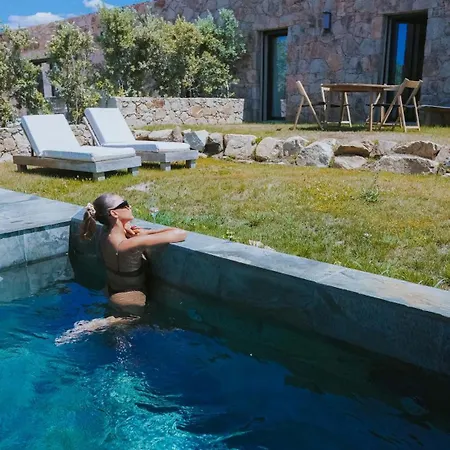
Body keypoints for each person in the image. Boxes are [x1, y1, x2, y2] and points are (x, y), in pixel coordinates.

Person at [55, 193, 187, 345]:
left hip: (112, 290)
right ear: (114, 213)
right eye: (125, 204)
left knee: (118, 338)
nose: (129, 206)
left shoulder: (105, 233)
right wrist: (146, 233)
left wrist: (127, 228)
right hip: (131, 298)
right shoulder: (128, 244)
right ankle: (91, 326)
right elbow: (180, 233)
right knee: (132, 322)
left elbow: (120, 231)